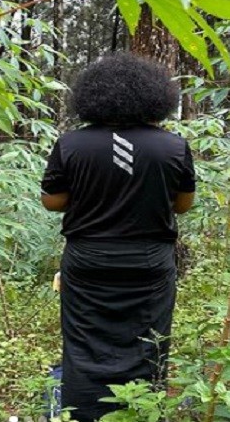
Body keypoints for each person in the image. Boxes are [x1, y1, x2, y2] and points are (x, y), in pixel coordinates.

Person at [40, 53, 196, 422]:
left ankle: (82, 413)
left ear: (93, 97)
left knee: (83, 343)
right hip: (149, 262)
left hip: (88, 259)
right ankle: (141, 411)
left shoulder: (71, 144)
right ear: (155, 97)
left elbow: (53, 201)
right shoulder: (173, 146)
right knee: (148, 340)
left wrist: (92, 192)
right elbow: (183, 205)